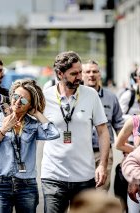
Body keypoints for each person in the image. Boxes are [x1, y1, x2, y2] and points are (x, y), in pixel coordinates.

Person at [41, 51, 111, 213]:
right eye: (74, 73)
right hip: (53, 177)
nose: (80, 77)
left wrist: (102, 165)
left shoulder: (91, 95)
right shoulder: (45, 98)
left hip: (85, 177)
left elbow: (103, 132)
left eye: (80, 72)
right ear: (60, 74)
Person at [0, 79, 60, 213]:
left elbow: (54, 134)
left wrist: (37, 114)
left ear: (30, 105)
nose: (17, 102)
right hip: (0, 184)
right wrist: (3, 130)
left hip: (26, 185)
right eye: (15, 97)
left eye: (23, 100)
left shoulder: (33, 124)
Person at [82, 59, 124, 191]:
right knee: (80, 195)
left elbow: (119, 124)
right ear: (81, 74)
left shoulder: (111, 97)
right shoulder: (76, 96)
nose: (91, 74)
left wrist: (126, 151)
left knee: (101, 191)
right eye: (87, 71)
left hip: (103, 153)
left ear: (100, 74)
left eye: (95, 71)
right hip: (80, 153)